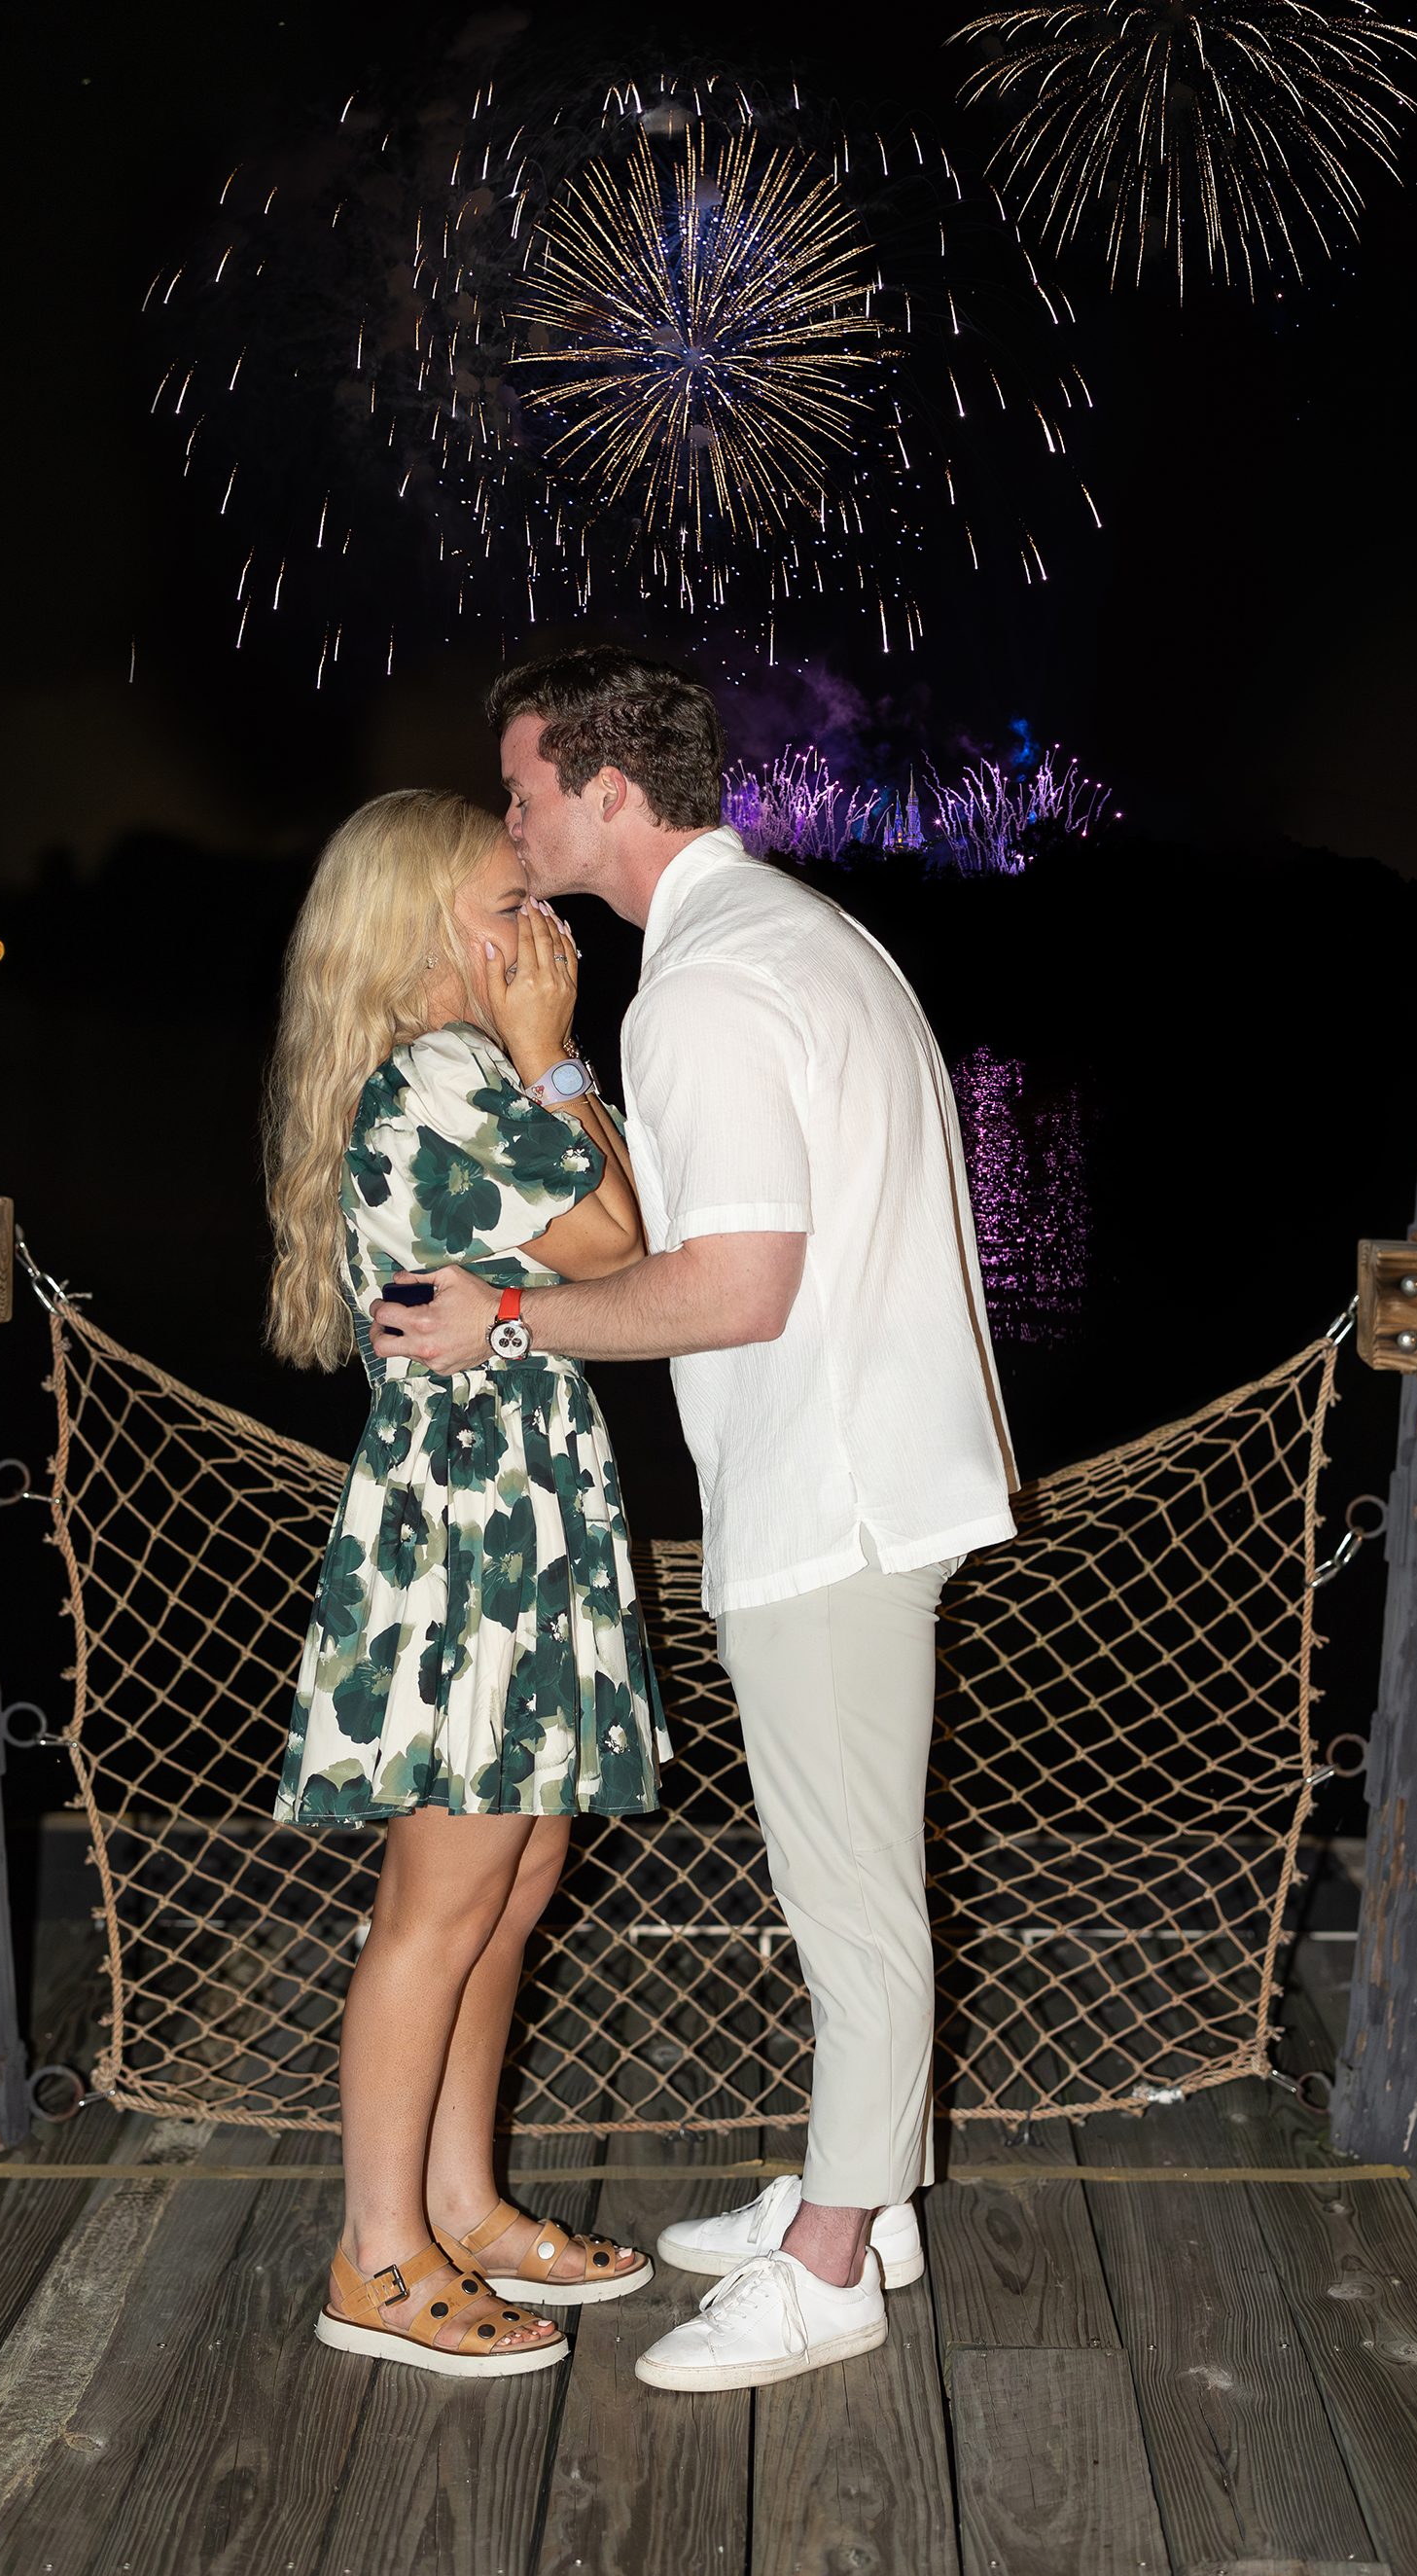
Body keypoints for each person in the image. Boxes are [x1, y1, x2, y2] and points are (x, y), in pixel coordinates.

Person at [374, 650, 1016, 2394]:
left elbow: (728, 1287)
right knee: (856, 1877)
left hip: (832, 1489)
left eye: (521, 789)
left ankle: (833, 2268)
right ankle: (859, 2190)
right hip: (875, 1466)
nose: (507, 821)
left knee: (850, 1899)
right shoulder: (796, 938)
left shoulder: (710, 994)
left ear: (603, 792)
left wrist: (503, 1319)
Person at [266, 787, 666, 2378]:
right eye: (510, 906)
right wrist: (557, 1049)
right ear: (424, 928)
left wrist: (542, 1060)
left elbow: (613, 1241)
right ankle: (379, 2257)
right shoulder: (444, 1076)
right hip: (477, 1527)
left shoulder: (457, 1078)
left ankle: (464, 2206)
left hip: (511, 1505)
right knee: (442, 1902)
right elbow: (628, 1236)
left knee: (515, 1872)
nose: (544, 935)